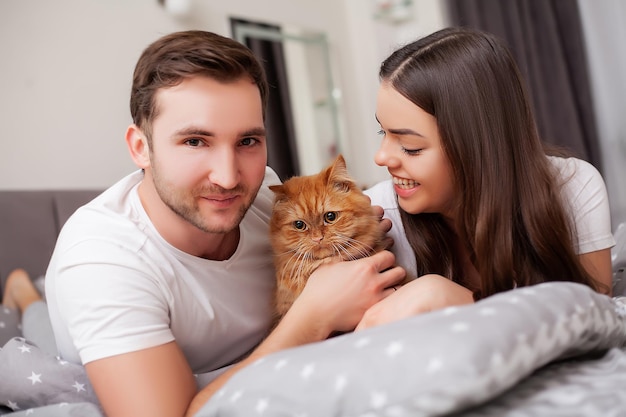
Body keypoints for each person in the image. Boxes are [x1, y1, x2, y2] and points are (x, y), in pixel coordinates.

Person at [41, 30, 405, 417]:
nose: (229, 177)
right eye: (195, 141)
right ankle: (27, 296)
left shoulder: (265, 191)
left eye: (248, 141)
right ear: (139, 148)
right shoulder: (101, 261)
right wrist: (311, 318)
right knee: (37, 323)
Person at [359, 26, 615, 330]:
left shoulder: (573, 187)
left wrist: (450, 299)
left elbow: (599, 316)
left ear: (476, 145)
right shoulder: (376, 216)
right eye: (382, 132)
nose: (381, 157)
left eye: (410, 147)